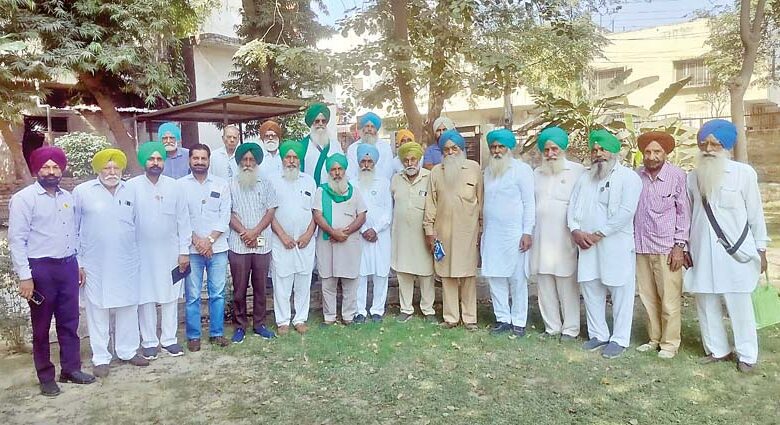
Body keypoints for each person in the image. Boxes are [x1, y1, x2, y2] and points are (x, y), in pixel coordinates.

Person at [9, 146, 96, 396]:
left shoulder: (67, 197)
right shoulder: (24, 199)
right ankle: (46, 376)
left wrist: (78, 264)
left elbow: (74, 234)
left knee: (70, 321)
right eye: (45, 167)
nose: (51, 171)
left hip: (67, 266)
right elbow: (17, 240)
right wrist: (25, 276)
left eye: (56, 167)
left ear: (61, 169)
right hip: (41, 269)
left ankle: (71, 369)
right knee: (41, 326)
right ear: (37, 170)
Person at [686, 119, 769, 373]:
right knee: (706, 300)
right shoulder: (692, 177)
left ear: (727, 146)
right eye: (704, 144)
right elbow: (689, 215)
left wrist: (761, 248)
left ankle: (747, 355)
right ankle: (717, 350)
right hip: (702, 249)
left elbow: (755, 214)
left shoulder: (744, 174)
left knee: (739, 303)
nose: (709, 149)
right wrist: (687, 248)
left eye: (715, 144)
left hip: (736, 252)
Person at [73, 149, 149, 378]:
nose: (112, 172)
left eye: (116, 168)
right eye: (107, 168)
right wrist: (78, 262)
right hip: (94, 262)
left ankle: (127, 351)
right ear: (98, 170)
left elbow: (138, 225)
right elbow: (74, 228)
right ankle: (101, 357)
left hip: (127, 259)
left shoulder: (131, 190)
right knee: (98, 308)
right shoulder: (82, 192)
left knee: (128, 306)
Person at [567, 129, 641, 359]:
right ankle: (598, 334)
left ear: (614, 152)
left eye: (603, 149)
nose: (598, 154)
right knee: (590, 287)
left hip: (615, 244)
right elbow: (572, 206)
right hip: (587, 245)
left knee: (620, 290)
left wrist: (600, 234)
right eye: (595, 150)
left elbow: (626, 212)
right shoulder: (585, 178)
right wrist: (575, 230)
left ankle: (619, 338)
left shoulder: (629, 178)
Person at [128, 142, 191, 359]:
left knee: (170, 296)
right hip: (141, 252)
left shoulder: (175, 186)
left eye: (159, 159)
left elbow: (183, 221)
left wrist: (184, 251)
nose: (155, 163)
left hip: (170, 252)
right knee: (145, 296)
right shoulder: (131, 187)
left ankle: (169, 339)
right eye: (151, 159)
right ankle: (149, 342)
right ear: (143, 161)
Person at [633, 131, 690, 359]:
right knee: (647, 297)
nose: (652, 156)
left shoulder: (677, 176)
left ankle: (669, 344)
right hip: (641, 246)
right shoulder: (637, 176)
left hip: (667, 248)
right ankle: (654, 338)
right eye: (647, 152)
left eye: (657, 151)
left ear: (665, 153)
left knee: (669, 299)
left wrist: (679, 246)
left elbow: (684, 213)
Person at [529, 127, 585, 341]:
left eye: (554, 149)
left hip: (565, 238)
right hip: (541, 238)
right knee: (544, 283)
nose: (550, 154)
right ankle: (551, 326)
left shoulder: (577, 171)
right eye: (546, 150)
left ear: (563, 149)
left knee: (567, 284)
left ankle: (570, 328)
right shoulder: (537, 173)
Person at [423, 129, 482, 329]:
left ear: (461, 149)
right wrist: (429, 231)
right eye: (446, 150)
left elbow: (481, 200)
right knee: (447, 275)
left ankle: (470, 318)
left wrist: (481, 229)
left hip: (468, 232)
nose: (450, 153)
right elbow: (431, 203)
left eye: (454, 149)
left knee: (468, 275)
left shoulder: (474, 168)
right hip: (443, 232)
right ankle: (451, 317)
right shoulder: (436, 172)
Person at [481, 128, 535, 337]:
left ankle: (519, 321)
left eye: (501, 146)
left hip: (515, 234)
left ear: (509, 148)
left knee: (517, 278)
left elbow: (529, 203)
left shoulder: (522, 170)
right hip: (492, 233)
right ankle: (502, 318)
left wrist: (527, 231)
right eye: (493, 147)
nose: (496, 151)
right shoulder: (488, 172)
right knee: (495, 276)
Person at [180, 144, 231, 351]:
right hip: (192, 250)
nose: (200, 162)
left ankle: (216, 333)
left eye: (203, 158)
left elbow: (224, 216)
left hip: (217, 249)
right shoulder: (180, 186)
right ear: (190, 160)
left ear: (209, 160)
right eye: (196, 158)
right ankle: (193, 336)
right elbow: (181, 218)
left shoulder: (221, 184)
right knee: (192, 295)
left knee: (217, 293)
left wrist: (209, 241)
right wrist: (198, 242)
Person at [228, 142, 278, 342]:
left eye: (251, 160)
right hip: (238, 244)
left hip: (262, 242)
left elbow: (271, 210)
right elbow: (228, 213)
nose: (248, 163)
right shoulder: (230, 184)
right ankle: (239, 326)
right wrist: (244, 233)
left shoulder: (265, 183)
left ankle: (259, 324)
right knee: (239, 289)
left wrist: (255, 232)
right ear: (239, 162)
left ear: (257, 162)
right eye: (244, 160)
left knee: (260, 287)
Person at [312, 153, 368, 325]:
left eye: (340, 169)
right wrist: (333, 232)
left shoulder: (354, 191)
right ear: (329, 172)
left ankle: (348, 316)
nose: (337, 173)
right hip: (327, 241)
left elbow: (362, 215)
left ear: (345, 170)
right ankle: (329, 316)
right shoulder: (321, 191)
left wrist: (346, 232)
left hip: (349, 242)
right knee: (328, 281)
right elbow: (317, 214)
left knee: (350, 280)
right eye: (333, 169)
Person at [270, 141, 317, 335]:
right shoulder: (273, 181)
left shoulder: (309, 181)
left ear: (300, 160)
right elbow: (269, 213)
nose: (291, 161)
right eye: (288, 157)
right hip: (281, 240)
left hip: (305, 241)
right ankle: (282, 320)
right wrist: (282, 235)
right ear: (282, 159)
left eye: (295, 157)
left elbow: (316, 212)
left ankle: (300, 319)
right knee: (282, 280)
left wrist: (308, 234)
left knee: (303, 281)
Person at [391, 141, 437, 323]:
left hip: (423, 234)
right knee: (403, 272)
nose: (410, 163)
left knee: (426, 272)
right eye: (406, 160)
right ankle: (406, 309)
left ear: (419, 160)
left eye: (413, 159)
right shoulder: (396, 179)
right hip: (401, 234)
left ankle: (428, 309)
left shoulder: (429, 177)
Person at [353, 143, 393, 323]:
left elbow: (388, 211)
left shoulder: (384, 183)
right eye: (363, 161)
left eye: (370, 161)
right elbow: (352, 210)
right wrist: (363, 230)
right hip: (359, 234)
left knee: (381, 273)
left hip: (381, 235)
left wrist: (375, 229)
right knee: (360, 273)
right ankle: (359, 311)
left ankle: (377, 310)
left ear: (375, 163)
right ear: (358, 163)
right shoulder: (352, 183)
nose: (366, 165)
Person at [300, 102, 343, 186]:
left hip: (332, 189)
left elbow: (343, 167)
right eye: (317, 121)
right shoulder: (303, 146)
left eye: (323, 121)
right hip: (311, 189)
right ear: (311, 123)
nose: (320, 124)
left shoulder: (335, 144)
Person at [347, 112, 395, 181]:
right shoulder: (353, 148)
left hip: (380, 184)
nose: (369, 129)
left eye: (372, 126)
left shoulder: (385, 147)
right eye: (367, 126)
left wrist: (378, 183)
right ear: (363, 128)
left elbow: (388, 170)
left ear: (376, 130)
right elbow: (350, 171)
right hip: (358, 184)